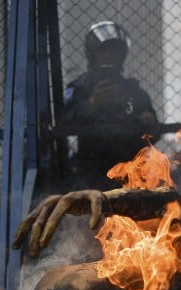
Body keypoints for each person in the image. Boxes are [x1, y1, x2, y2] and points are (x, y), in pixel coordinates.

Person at [59, 21, 160, 191]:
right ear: (93, 53)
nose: (109, 55)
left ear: (122, 55)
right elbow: (65, 123)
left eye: (114, 50)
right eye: (104, 50)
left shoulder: (133, 90)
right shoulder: (79, 88)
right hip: (92, 172)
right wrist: (91, 105)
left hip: (130, 171)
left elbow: (154, 133)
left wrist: (149, 122)